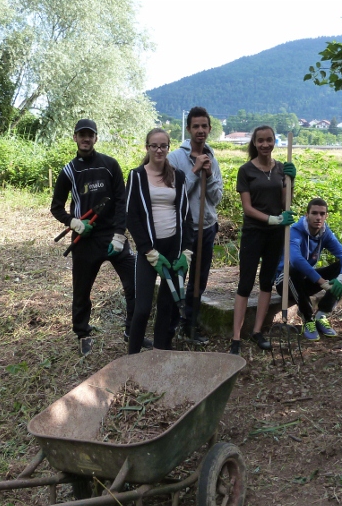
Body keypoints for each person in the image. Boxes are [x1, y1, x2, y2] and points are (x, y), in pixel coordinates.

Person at [51, 119, 146, 356]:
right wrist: (73, 222)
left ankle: (132, 331)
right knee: (81, 291)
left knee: (134, 283)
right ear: (75, 138)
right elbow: (56, 207)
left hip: (111, 236)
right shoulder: (69, 171)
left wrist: (119, 235)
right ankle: (83, 333)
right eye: (81, 135)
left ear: (96, 138)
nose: (86, 139)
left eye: (90, 135)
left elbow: (122, 201)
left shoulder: (110, 165)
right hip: (85, 239)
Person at [126, 128, 194, 353]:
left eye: (163, 146)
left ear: (168, 147)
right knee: (143, 308)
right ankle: (132, 356)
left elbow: (186, 216)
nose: (159, 150)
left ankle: (160, 352)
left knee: (167, 306)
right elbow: (131, 217)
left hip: (173, 248)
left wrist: (186, 251)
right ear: (147, 147)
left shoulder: (178, 176)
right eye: (154, 145)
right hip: (150, 251)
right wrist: (148, 250)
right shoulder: (136, 176)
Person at [230, 125, 296, 355]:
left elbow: (285, 201)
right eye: (261, 141)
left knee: (267, 281)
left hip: (274, 235)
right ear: (255, 143)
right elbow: (247, 208)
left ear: (274, 141)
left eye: (269, 140)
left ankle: (257, 331)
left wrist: (290, 181)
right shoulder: (245, 170)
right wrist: (272, 220)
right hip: (254, 232)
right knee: (245, 283)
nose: (265, 144)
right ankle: (236, 337)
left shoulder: (280, 170)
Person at [168, 107, 223, 345]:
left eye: (204, 126)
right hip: (182, 229)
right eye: (196, 126)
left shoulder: (213, 158)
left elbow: (217, 197)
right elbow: (173, 194)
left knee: (199, 280)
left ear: (210, 129)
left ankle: (191, 324)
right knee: (177, 276)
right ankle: (171, 323)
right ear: (189, 129)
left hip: (207, 226)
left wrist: (209, 174)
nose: (200, 130)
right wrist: (194, 171)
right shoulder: (175, 158)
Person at [275, 198, 342, 340]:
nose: (318, 217)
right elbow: (296, 260)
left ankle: (322, 313)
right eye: (314, 213)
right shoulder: (294, 232)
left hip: (306, 280)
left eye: (322, 214)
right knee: (294, 269)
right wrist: (321, 282)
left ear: (326, 216)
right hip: (286, 281)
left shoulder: (325, 233)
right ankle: (307, 318)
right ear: (307, 215)